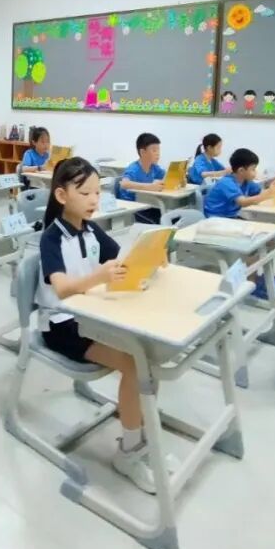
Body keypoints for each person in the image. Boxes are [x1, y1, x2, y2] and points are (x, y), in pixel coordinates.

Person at [39, 158, 177, 493]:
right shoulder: (51, 238)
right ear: (61, 195)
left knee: (147, 357)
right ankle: (129, 452)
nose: (93, 200)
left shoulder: (91, 230)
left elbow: (123, 259)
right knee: (134, 364)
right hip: (62, 325)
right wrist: (99, 276)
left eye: (97, 192)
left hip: (91, 316)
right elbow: (62, 289)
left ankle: (141, 433)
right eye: (85, 193)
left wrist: (151, 255)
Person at [203, 148, 275, 300]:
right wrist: (268, 193)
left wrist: (271, 185)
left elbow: (258, 193)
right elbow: (242, 202)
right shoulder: (227, 182)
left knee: (269, 238)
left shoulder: (246, 182)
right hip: (216, 222)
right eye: (253, 169)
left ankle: (260, 274)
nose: (255, 173)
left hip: (231, 219)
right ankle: (250, 282)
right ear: (241, 170)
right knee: (255, 242)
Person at [118, 133, 166, 224]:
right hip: (133, 208)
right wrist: (150, 186)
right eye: (154, 150)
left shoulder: (154, 167)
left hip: (147, 204)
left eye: (158, 150)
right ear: (143, 152)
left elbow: (165, 177)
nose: (158, 154)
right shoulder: (134, 169)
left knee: (168, 216)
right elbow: (124, 184)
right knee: (160, 221)